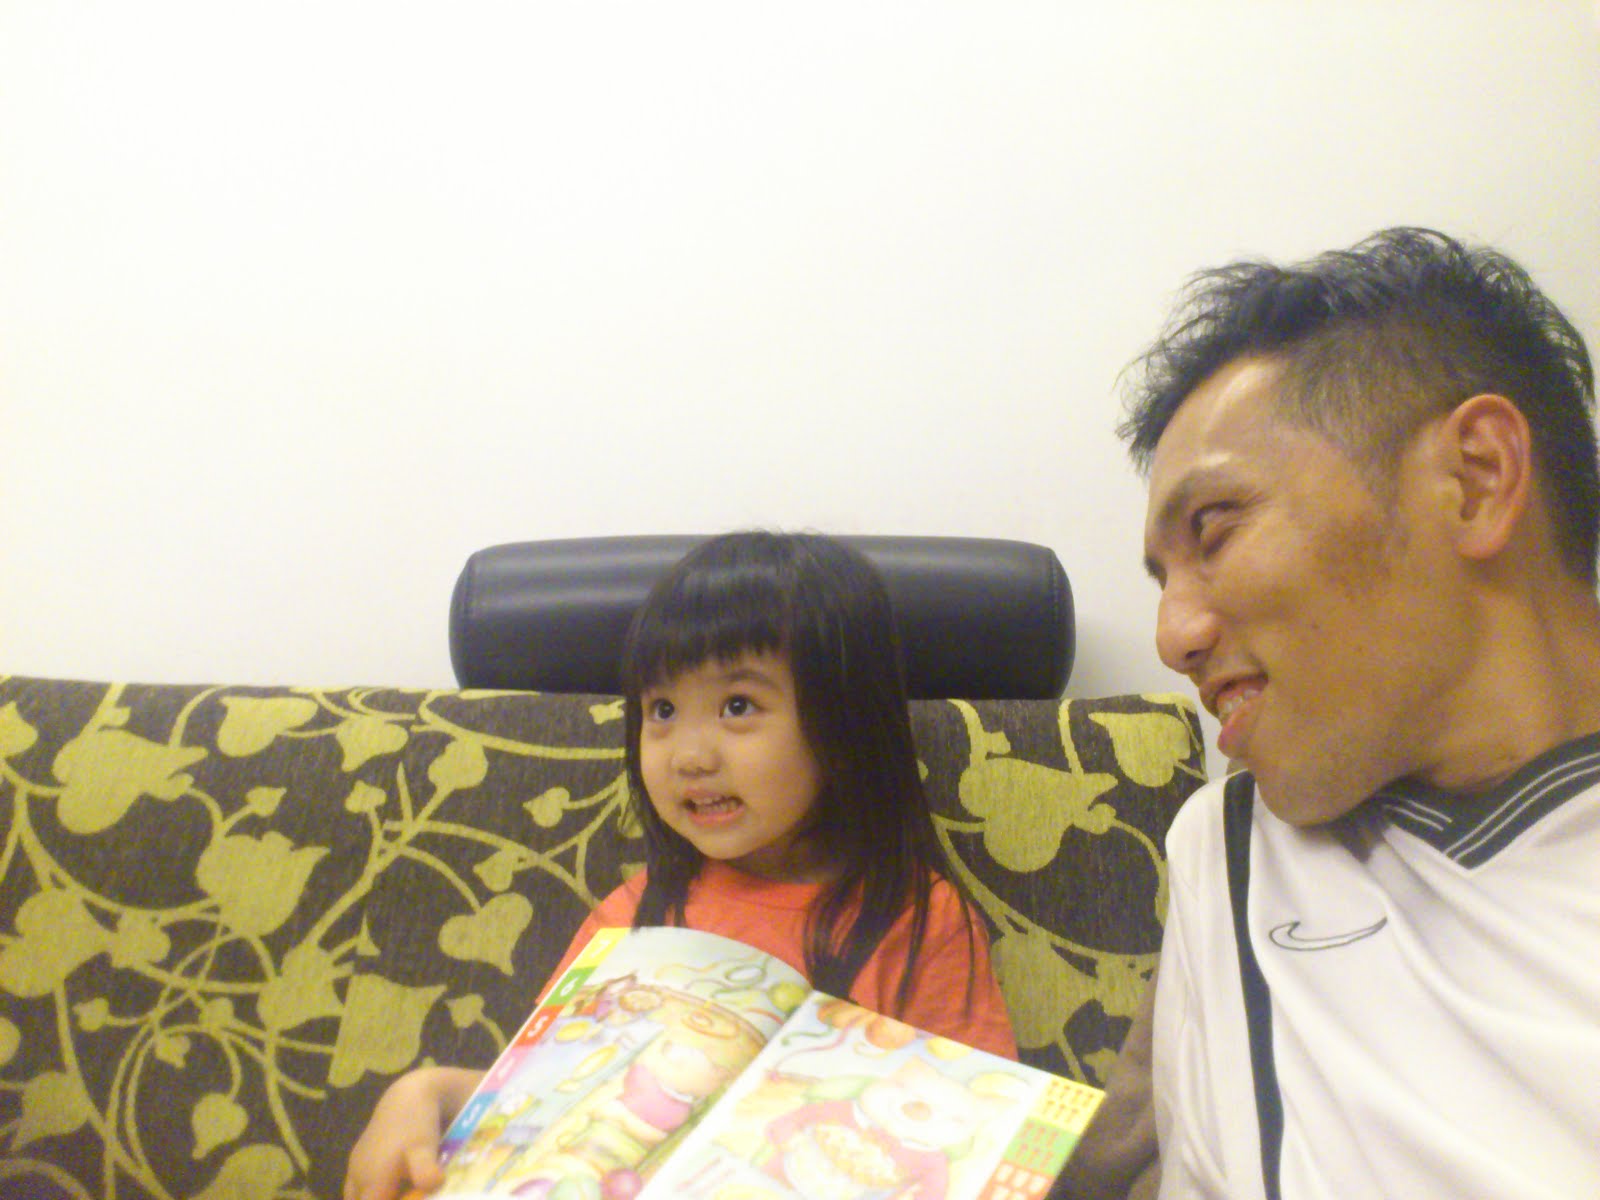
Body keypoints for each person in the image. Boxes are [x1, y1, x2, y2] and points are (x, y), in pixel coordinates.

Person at [1122, 226, 1600, 1198]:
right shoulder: (1226, 845)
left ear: (1475, 479)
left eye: (1213, 529)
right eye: (1160, 579)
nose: (1173, 637)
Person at [342, 530, 1016, 1200]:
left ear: (843, 725)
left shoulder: (921, 922)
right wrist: (424, 1092)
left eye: (738, 706)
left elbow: (975, 1144)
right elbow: (546, 1104)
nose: (689, 756)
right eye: (661, 709)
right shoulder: (630, 920)